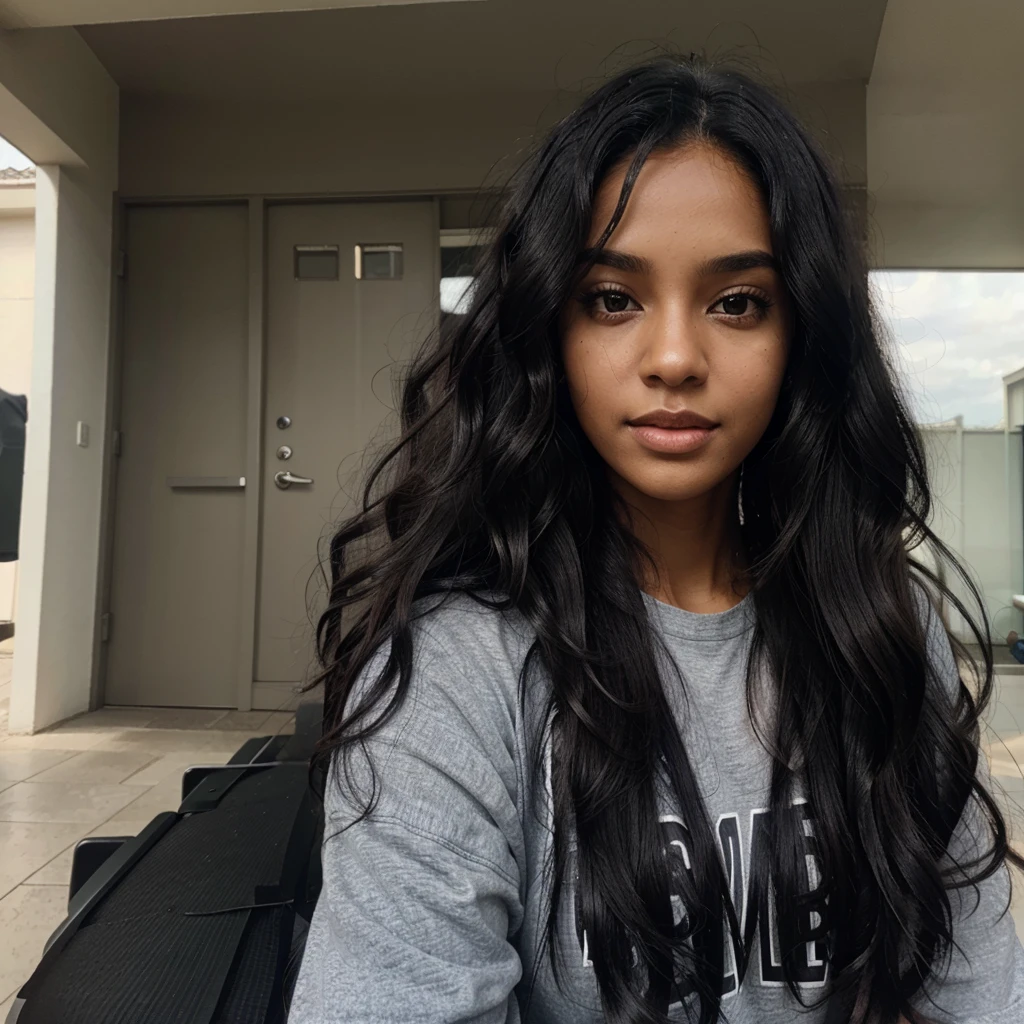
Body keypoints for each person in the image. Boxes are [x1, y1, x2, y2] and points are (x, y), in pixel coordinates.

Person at [288, 56, 1024, 1024]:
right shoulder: (455, 669)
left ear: (800, 338)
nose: (674, 357)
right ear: (547, 329)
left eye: (736, 303)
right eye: (611, 299)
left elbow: (975, 985)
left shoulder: (883, 629)